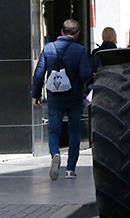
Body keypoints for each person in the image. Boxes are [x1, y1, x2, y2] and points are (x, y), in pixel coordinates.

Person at [31, 19, 94, 181]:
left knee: (54, 130)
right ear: (77, 34)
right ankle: (70, 169)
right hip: (73, 97)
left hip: (54, 97)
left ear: (62, 31)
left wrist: (36, 95)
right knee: (74, 131)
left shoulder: (48, 48)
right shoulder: (80, 50)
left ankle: (55, 154)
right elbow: (85, 74)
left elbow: (39, 74)